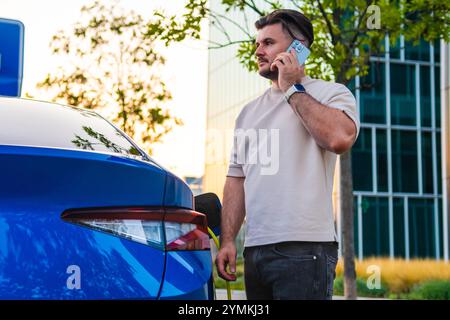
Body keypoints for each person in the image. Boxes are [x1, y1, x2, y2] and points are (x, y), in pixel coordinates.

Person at [215, 9, 360, 300]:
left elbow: (339, 138)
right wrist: (228, 239)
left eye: (268, 43)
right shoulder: (248, 113)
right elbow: (236, 179)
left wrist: (292, 88)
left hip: (305, 249)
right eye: (257, 44)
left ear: (299, 48)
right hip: (255, 251)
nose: (258, 51)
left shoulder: (332, 93)